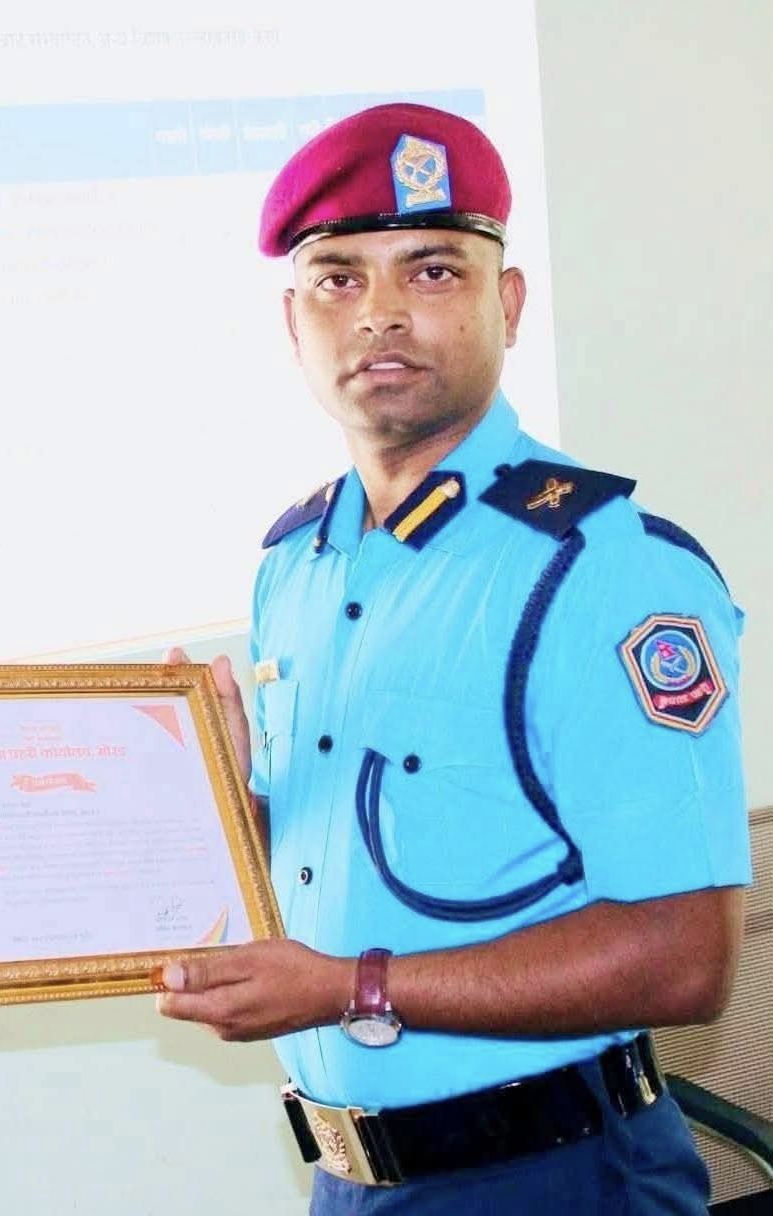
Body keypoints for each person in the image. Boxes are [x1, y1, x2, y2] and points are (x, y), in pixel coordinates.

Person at [156, 104, 749, 1213]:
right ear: (294, 322)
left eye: (430, 271)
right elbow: (343, 865)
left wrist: (352, 989)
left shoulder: (605, 570)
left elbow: (683, 956)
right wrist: (227, 808)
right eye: (338, 279)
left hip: (555, 1177)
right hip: (352, 1179)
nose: (379, 312)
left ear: (507, 304)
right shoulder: (296, 566)